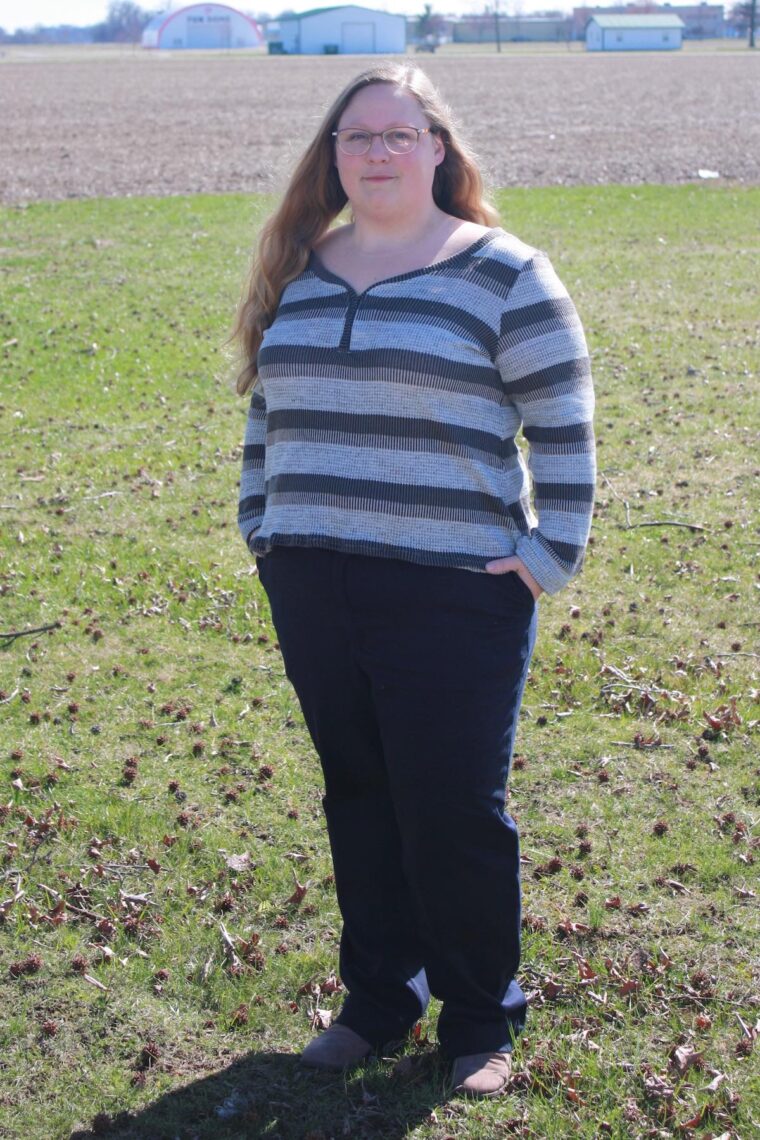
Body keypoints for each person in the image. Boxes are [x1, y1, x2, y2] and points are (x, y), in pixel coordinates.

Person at [233, 62, 595, 1098]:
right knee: (360, 796)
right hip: (313, 578)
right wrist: (264, 526)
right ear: (333, 156)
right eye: (357, 137)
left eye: (398, 134)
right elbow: (267, 414)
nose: (377, 152)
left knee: (452, 807)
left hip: (456, 587)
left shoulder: (505, 273)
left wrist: (544, 555)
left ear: (438, 148)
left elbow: (564, 430)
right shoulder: (300, 265)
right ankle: (378, 1001)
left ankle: (481, 1021)